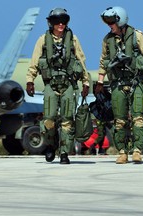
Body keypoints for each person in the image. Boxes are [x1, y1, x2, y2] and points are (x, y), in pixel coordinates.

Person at [96, 6, 143, 164]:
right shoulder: (107, 40)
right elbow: (103, 61)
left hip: (137, 81)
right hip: (118, 83)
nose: (109, 25)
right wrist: (100, 81)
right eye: (108, 22)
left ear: (121, 20)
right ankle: (122, 152)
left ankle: (137, 151)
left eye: (112, 22)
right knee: (119, 120)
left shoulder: (137, 36)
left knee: (138, 117)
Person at [26, 8, 90, 164]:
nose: (60, 24)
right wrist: (30, 81)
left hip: (68, 84)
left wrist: (86, 82)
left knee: (68, 119)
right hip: (51, 85)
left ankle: (64, 153)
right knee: (49, 119)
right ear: (51, 23)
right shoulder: (43, 40)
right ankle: (50, 146)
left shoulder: (73, 39)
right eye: (57, 21)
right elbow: (34, 62)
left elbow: (81, 61)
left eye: (64, 21)